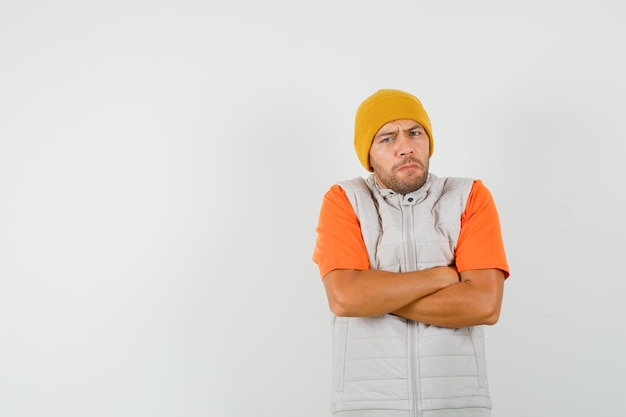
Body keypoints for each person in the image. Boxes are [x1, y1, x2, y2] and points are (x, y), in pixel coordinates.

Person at [312, 89, 510, 417]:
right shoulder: (344, 200)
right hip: (368, 406)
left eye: (415, 133)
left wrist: (375, 298)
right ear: (369, 156)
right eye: (387, 138)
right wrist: (442, 277)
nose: (406, 147)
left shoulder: (470, 196)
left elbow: (485, 305)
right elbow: (345, 298)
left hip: (457, 405)